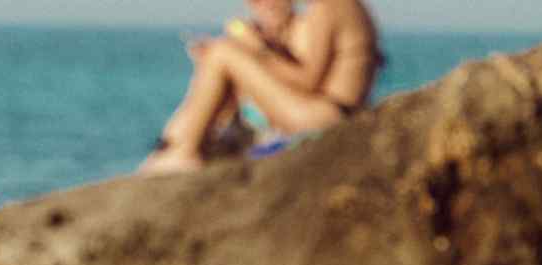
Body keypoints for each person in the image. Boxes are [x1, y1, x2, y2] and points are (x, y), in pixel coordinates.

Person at [139, 0, 381, 174]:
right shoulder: (345, 7)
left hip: (325, 115)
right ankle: (176, 146)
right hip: (331, 111)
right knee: (222, 56)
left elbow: (308, 81)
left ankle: (183, 150)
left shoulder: (327, 7)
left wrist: (256, 51)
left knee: (223, 52)